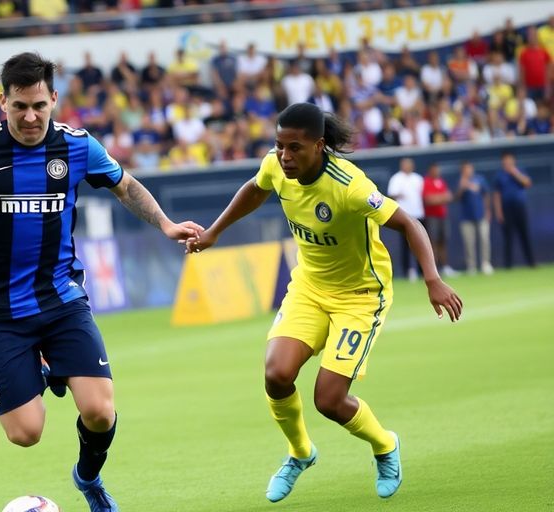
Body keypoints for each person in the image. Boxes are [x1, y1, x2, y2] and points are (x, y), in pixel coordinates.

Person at [0, 52, 202, 512]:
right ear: (2, 101)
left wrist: (165, 224)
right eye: (19, 106)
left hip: (61, 297)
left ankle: (87, 477)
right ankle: (45, 369)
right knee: (25, 434)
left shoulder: (77, 146)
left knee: (101, 411)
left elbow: (125, 185)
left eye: (40, 106)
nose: (30, 117)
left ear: (54, 100)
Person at [185, 103, 462, 503]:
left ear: (318, 146)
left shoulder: (350, 186)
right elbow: (256, 188)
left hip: (360, 297)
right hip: (309, 288)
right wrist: (213, 232)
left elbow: (408, 223)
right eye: (279, 146)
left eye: (294, 148)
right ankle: (300, 453)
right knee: (276, 373)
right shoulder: (276, 166)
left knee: (328, 400)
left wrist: (432, 279)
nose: (284, 156)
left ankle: (385, 445)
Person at [493, 152, 535, 268]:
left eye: (509, 160)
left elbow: (527, 183)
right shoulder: (499, 176)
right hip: (507, 209)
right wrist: (499, 212)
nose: (507, 163)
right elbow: (497, 195)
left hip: (520, 208)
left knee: (524, 236)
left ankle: (531, 263)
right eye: (505, 161)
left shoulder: (520, 171)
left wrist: (515, 173)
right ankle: (508, 265)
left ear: (513, 161)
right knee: (508, 238)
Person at [386, 158, 424, 280]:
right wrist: (399, 195)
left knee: (421, 243)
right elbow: (391, 195)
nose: (407, 166)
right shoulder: (396, 179)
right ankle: (408, 270)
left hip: (418, 215)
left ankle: (421, 270)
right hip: (404, 216)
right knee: (406, 245)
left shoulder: (418, 178)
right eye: (405, 164)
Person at [456, 161, 492, 275]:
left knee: (484, 239)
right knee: (469, 243)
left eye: (469, 168)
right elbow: (457, 197)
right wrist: (462, 186)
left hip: (481, 215)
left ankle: (485, 263)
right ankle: (471, 266)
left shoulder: (480, 179)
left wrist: (487, 211)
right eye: (465, 169)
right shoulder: (461, 182)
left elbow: (486, 195)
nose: (468, 171)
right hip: (466, 218)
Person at [422, 163, 457, 277]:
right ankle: (434, 269)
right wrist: (442, 198)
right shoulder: (426, 182)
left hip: (443, 216)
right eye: (434, 170)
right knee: (434, 243)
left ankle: (445, 267)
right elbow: (428, 200)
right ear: (430, 171)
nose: (437, 172)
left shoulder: (441, 181)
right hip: (432, 217)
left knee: (443, 241)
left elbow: (449, 196)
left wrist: (438, 198)